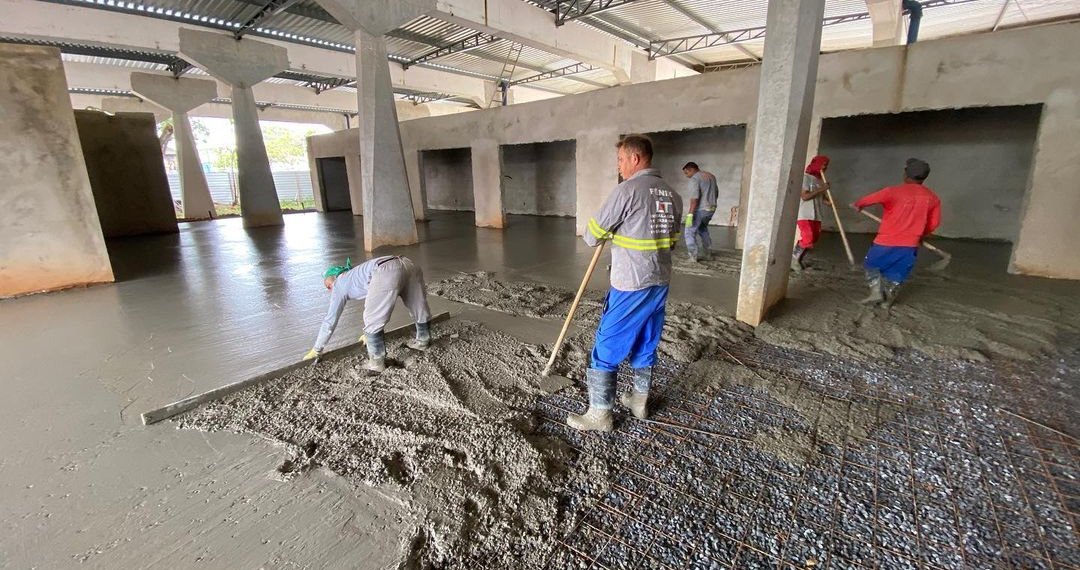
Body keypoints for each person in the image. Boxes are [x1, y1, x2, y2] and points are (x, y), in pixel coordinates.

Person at [569, 134, 683, 432]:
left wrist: (612, 230)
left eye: (621, 160)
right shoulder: (672, 195)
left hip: (631, 281)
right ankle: (639, 401)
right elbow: (671, 243)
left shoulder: (627, 191)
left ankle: (600, 414)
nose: (619, 167)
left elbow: (592, 235)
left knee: (607, 342)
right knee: (646, 336)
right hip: (659, 279)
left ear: (635, 158)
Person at [303, 255, 432, 372]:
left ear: (334, 278)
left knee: (371, 319)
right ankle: (423, 341)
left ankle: (376, 363)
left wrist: (317, 348)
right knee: (418, 305)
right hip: (407, 263)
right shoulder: (356, 275)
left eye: (328, 286)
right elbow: (378, 300)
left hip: (385, 270)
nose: (330, 290)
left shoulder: (339, 283)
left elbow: (330, 320)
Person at [851, 158, 941, 308]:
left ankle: (876, 292)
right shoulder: (932, 198)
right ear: (925, 177)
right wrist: (921, 234)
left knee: (871, 264)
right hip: (910, 244)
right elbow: (934, 223)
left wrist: (858, 204)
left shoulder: (892, 191)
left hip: (885, 241)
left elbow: (870, 199)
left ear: (905, 174)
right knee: (897, 273)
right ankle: (888, 299)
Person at [793, 155, 831, 270]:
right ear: (817, 164)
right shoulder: (805, 178)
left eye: (826, 166)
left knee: (814, 239)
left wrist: (830, 202)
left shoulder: (819, 181)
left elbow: (822, 199)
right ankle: (794, 258)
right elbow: (805, 196)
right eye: (823, 165)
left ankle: (799, 259)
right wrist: (822, 189)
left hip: (816, 215)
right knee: (808, 238)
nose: (825, 168)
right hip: (805, 214)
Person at [681, 162, 719, 262]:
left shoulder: (695, 179)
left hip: (700, 209)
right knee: (703, 229)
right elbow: (716, 193)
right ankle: (708, 254)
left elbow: (694, 198)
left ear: (691, 170)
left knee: (689, 232)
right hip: (711, 209)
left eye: (686, 173)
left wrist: (690, 214)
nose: (687, 176)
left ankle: (693, 256)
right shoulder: (711, 176)